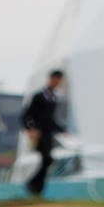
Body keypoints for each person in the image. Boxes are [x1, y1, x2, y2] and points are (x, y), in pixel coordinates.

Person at [21, 68, 66, 198]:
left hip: (48, 135)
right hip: (39, 134)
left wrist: (61, 130)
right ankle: (33, 185)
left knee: (48, 161)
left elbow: (50, 120)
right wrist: (30, 129)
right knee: (47, 159)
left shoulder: (54, 98)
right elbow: (26, 115)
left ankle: (35, 188)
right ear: (51, 79)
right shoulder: (39, 96)